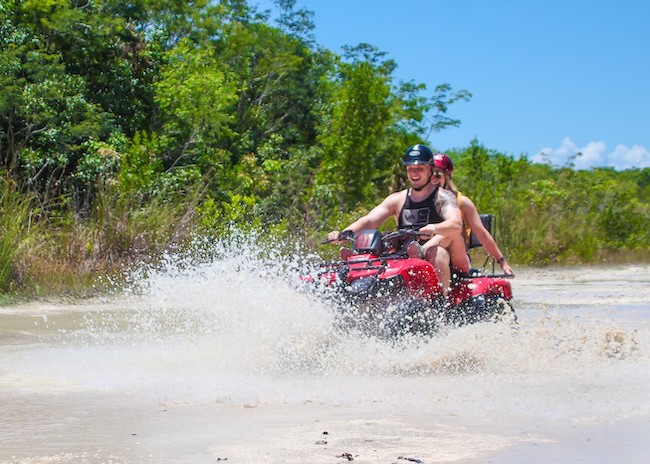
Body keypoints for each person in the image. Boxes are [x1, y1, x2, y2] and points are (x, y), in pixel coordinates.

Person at [327, 144, 470, 295]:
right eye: (410, 169)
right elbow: (369, 221)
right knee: (378, 245)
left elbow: (455, 223)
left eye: (419, 169)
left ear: (430, 170)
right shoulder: (397, 199)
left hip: (438, 249)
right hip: (404, 251)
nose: (414, 173)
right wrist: (343, 233)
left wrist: (433, 228)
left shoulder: (443, 196)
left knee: (437, 252)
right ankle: (355, 273)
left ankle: (440, 303)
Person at [425, 152, 515, 275]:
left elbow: (482, 234)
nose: (433, 179)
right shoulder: (419, 200)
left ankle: (419, 253)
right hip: (431, 253)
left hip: (457, 257)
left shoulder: (463, 202)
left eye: (437, 175)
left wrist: (502, 262)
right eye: (430, 174)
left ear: (447, 176)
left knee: (450, 231)